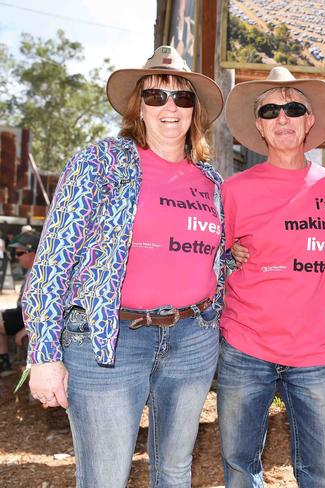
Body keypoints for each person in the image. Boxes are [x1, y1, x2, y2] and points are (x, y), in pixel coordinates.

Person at [22, 45, 227, 487]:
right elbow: (54, 258)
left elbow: (208, 252)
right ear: (139, 107)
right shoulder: (100, 162)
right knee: (105, 477)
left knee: (174, 470)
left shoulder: (210, 180)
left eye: (182, 97)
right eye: (156, 96)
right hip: (108, 342)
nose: (169, 107)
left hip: (191, 340)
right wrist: (44, 353)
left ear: (195, 109)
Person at [218, 67, 325, 487]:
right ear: (259, 125)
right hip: (245, 347)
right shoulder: (234, 190)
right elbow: (210, 255)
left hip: (315, 352)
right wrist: (229, 255)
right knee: (240, 466)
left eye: (294, 108)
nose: (282, 118)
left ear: (310, 120)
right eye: (270, 110)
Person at [0, 230, 39, 373]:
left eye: (20, 253)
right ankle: (4, 363)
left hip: (26, 317)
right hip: (22, 313)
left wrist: (26, 330)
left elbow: (41, 309)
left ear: (33, 252)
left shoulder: (40, 276)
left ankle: (4, 364)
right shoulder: (31, 271)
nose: (17, 258)